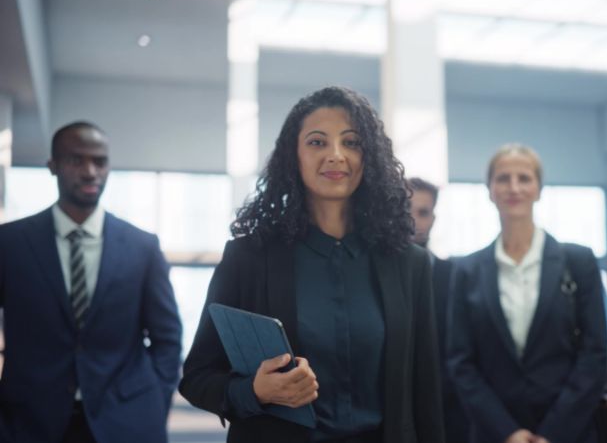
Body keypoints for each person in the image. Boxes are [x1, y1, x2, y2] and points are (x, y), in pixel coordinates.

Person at [180, 86, 445, 443]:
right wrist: (255, 391)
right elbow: (197, 377)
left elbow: (427, 393)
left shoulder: (410, 265)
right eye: (317, 142)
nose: (336, 155)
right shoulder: (249, 258)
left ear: (370, 158)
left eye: (351, 142)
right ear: (294, 155)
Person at [0, 121, 182, 443]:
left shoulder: (143, 247)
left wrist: (155, 401)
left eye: (99, 161)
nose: (90, 172)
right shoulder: (10, 244)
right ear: (53, 166)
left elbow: (167, 337)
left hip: (127, 421)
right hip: (29, 422)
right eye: (76, 160)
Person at [447, 143, 607, 443]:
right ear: (490, 190)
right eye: (503, 178)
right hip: (495, 434)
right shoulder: (467, 270)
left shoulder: (578, 262)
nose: (514, 187)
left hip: (568, 432)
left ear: (539, 189)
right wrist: (507, 432)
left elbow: (594, 355)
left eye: (524, 178)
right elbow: (461, 363)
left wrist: (554, 433)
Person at [407, 177, 467, 443]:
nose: (412, 221)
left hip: (447, 410)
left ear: (433, 219)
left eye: (422, 213)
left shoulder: (453, 276)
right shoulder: (369, 275)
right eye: (405, 210)